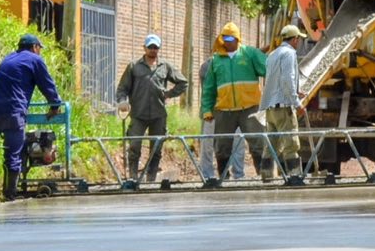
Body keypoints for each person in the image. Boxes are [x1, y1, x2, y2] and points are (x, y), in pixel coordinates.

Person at [0, 33, 61, 201]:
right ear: (35, 47)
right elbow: (47, 84)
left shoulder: (8, 58)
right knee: (13, 153)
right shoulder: (35, 60)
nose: (39, 52)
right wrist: (55, 105)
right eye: (39, 49)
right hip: (13, 111)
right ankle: (10, 194)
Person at [200, 22, 271, 183]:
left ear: (238, 39)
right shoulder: (216, 61)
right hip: (224, 110)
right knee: (222, 146)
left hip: (249, 108)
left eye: (231, 38)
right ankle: (223, 177)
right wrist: (207, 110)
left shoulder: (249, 54)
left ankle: (264, 176)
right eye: (225, 38)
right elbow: (209, 89)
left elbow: (268, 69)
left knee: (258, 142)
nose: (227, 41)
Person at [114, 34, 188, 185]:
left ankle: (151, 180)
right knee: (134, 146)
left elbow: (183, 82)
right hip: (138, 114)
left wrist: (169, 94)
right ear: (144, 48)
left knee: (156, 148)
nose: (153, 50)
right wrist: (122, 102)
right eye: (150, 47)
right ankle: (133, 178)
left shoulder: (165, 66)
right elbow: (122, 88)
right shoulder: (134, 66)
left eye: (155, 47)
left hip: (158, 114)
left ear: (159, 49)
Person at [262, 23, 308, 182]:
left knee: (271, 144)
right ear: (295, 39)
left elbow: (273, 80)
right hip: (284, 108)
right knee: (291, 144)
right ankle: (294, 176)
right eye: (299, 39)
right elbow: (288, 78)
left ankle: (266, 176)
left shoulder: (272, 54)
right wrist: (297, 103)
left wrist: (295, 91)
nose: (299, 42)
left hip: (271, 108)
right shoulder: (289, 54)